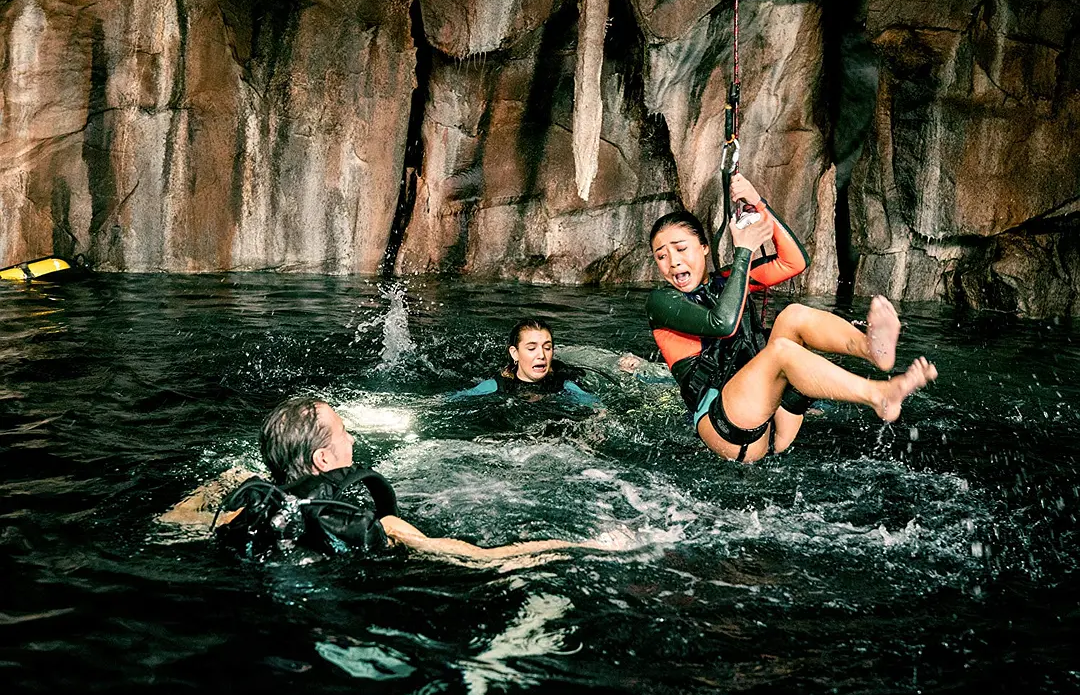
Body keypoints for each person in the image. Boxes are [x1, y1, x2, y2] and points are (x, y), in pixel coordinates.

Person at [646, 172, 938, 463]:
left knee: (793, 315)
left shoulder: (727, 279)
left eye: (681, 249)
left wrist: (757, 202)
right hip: (727, 428)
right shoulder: (660, 302)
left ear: (704, 247)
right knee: (782, 351)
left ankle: (871, 348)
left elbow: (794, 262)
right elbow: (722, 324)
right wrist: (744, 250)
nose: (673, 262)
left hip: (776, 418)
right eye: (661, 256)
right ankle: (877, 395)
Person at [204, 396, 619, 561]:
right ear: (324, 458)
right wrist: (588, 546)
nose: (353, 438)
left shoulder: (242, 506)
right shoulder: (378, 523)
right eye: (344, 431)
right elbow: (482, 558)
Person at [451, 318, 600, 405]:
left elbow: (595, 404)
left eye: (547, 348)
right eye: (531, 348)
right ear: (515, 353)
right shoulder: (497, 385)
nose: (541, 355)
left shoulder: (562, 382)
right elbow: (454, 399)